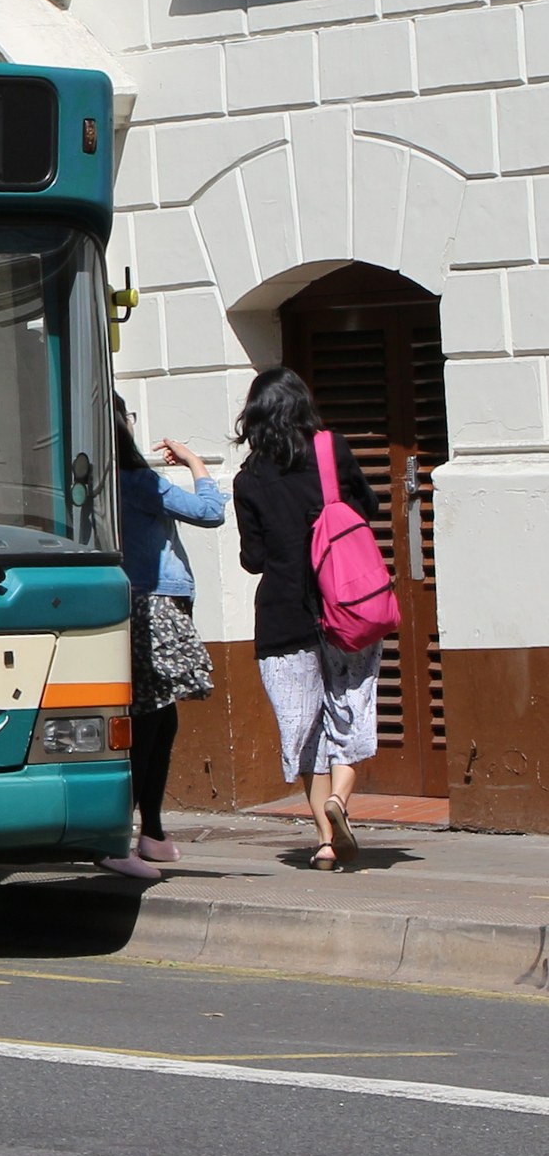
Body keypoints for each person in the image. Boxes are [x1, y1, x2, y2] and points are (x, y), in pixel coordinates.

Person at [231, 368, 384, 871]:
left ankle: (323, 841)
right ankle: (341, 799)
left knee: (306, 732)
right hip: (345, 608)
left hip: (282, 617)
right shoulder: (330, 449)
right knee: (350, 710)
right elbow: (367, 507)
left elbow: (253, 559)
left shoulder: (248, 479)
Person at [105, 402, 224, 878]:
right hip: (154, 605)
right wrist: (195, 463)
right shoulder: (138, 482)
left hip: (133, 604)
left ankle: (151, 830)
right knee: (150, 722)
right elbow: (210, 512)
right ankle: (118, 838)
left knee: (161, 718)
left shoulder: (100, 483)